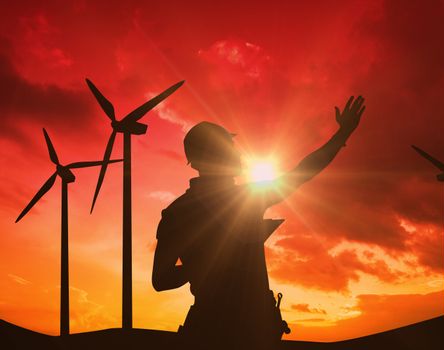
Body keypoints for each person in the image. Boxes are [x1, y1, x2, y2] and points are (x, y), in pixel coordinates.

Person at [152, 96, 365, 349]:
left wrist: (199, 265)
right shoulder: (247, 198)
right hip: (244, 333)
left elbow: (161, 279)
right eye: (230, 148)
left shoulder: (176, 212)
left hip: (212, 328)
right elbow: (303, 171)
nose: (238, 154)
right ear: (217, 155)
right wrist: (342, 134)